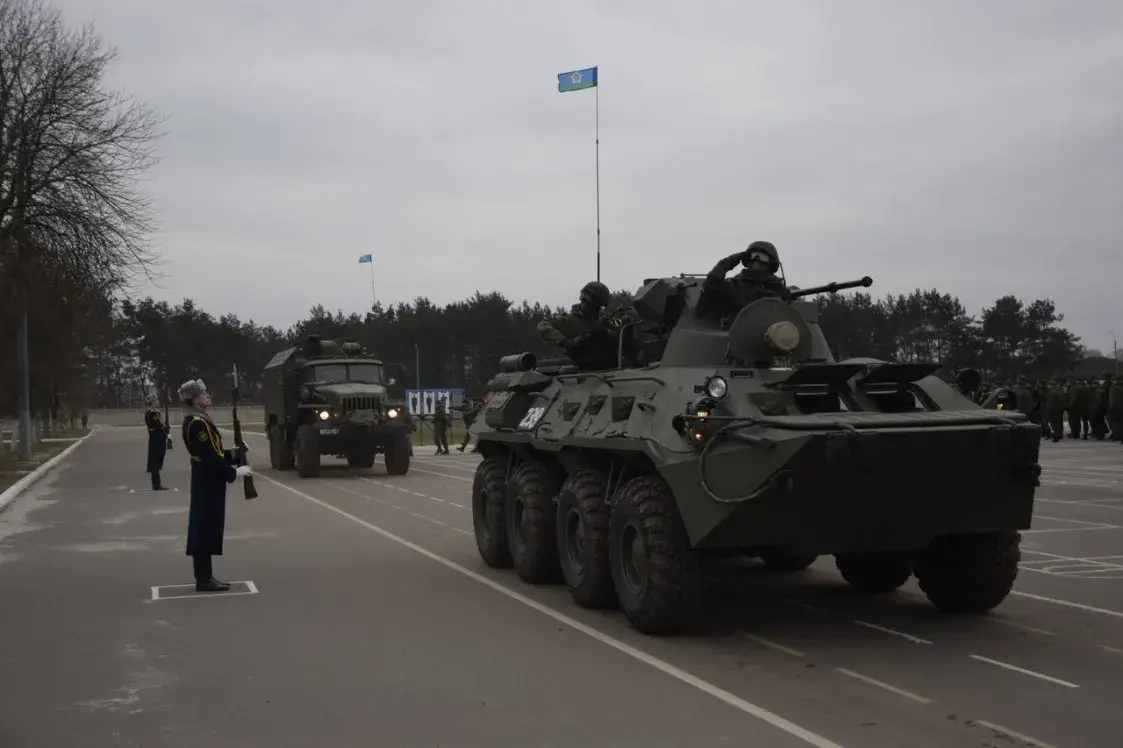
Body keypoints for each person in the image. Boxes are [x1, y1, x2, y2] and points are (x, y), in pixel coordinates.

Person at [178, 378, 254, 592]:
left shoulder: (199, 420)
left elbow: (214, 453)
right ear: (193, 400)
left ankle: (205, 576)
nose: (208, 396)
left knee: (208, 527)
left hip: (206, 480)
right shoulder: (197, 423)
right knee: (204, 528)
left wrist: (234, 454)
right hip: (207, 481)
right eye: (203, 394)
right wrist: (233, 472)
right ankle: (203, 579)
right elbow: (210, 458)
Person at [696, 240, 786, 325]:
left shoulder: (779, 289)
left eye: (762, 257)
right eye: (753, 256)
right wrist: (730, 261)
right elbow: (711, 284)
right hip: (738, 337)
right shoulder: (735, 285)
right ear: (746, 259)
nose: (756, 260)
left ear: (771, 262)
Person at [537, 281, 615, 368]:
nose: (597, 310)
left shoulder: (604, 320)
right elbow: (543, 326)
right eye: (594, 305)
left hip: (611, 368)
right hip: (584, 371)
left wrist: (606, 332)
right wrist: (568, 342)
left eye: (599, 307)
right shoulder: (570, 320)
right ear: (584, 300)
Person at [144, 394, 170, 490]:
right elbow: (156, 426)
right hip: (156, 440)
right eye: (156, 400)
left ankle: (157, 484)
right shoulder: (151, 413)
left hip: (159, 439)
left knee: (158, 461)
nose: (158, 402)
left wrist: (166, 429)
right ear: (153, 402)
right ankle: (156, 484)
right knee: (154, 462)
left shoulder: (155, 412)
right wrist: (164, 429)